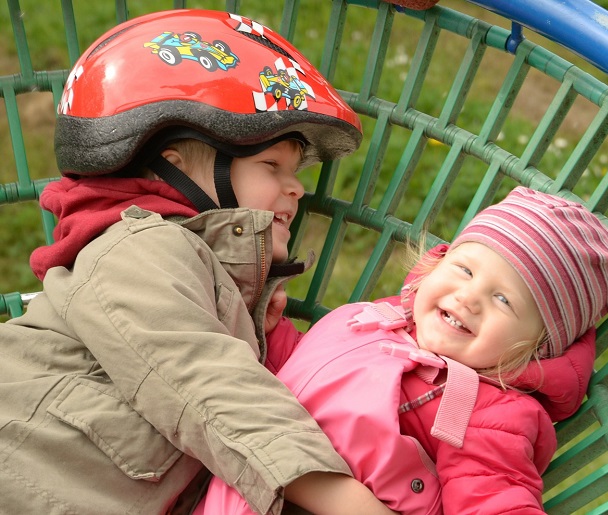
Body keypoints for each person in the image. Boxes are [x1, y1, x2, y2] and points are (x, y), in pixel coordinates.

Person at [0, 9, 393, 515]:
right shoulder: (137, 247)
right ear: (174, 168)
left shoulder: (244, 306)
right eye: (272, 165)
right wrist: (343, 500)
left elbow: (321, 377)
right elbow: (206, 378)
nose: (296, 187)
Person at [198, 186, 608, 514]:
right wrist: (269, 331)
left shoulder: (489, 412)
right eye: (464, 269)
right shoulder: (378, 321)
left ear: (536, 347)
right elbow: (303, 373)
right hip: (238, 482)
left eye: (504, 300)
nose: (468, 297)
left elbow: (491, 494)